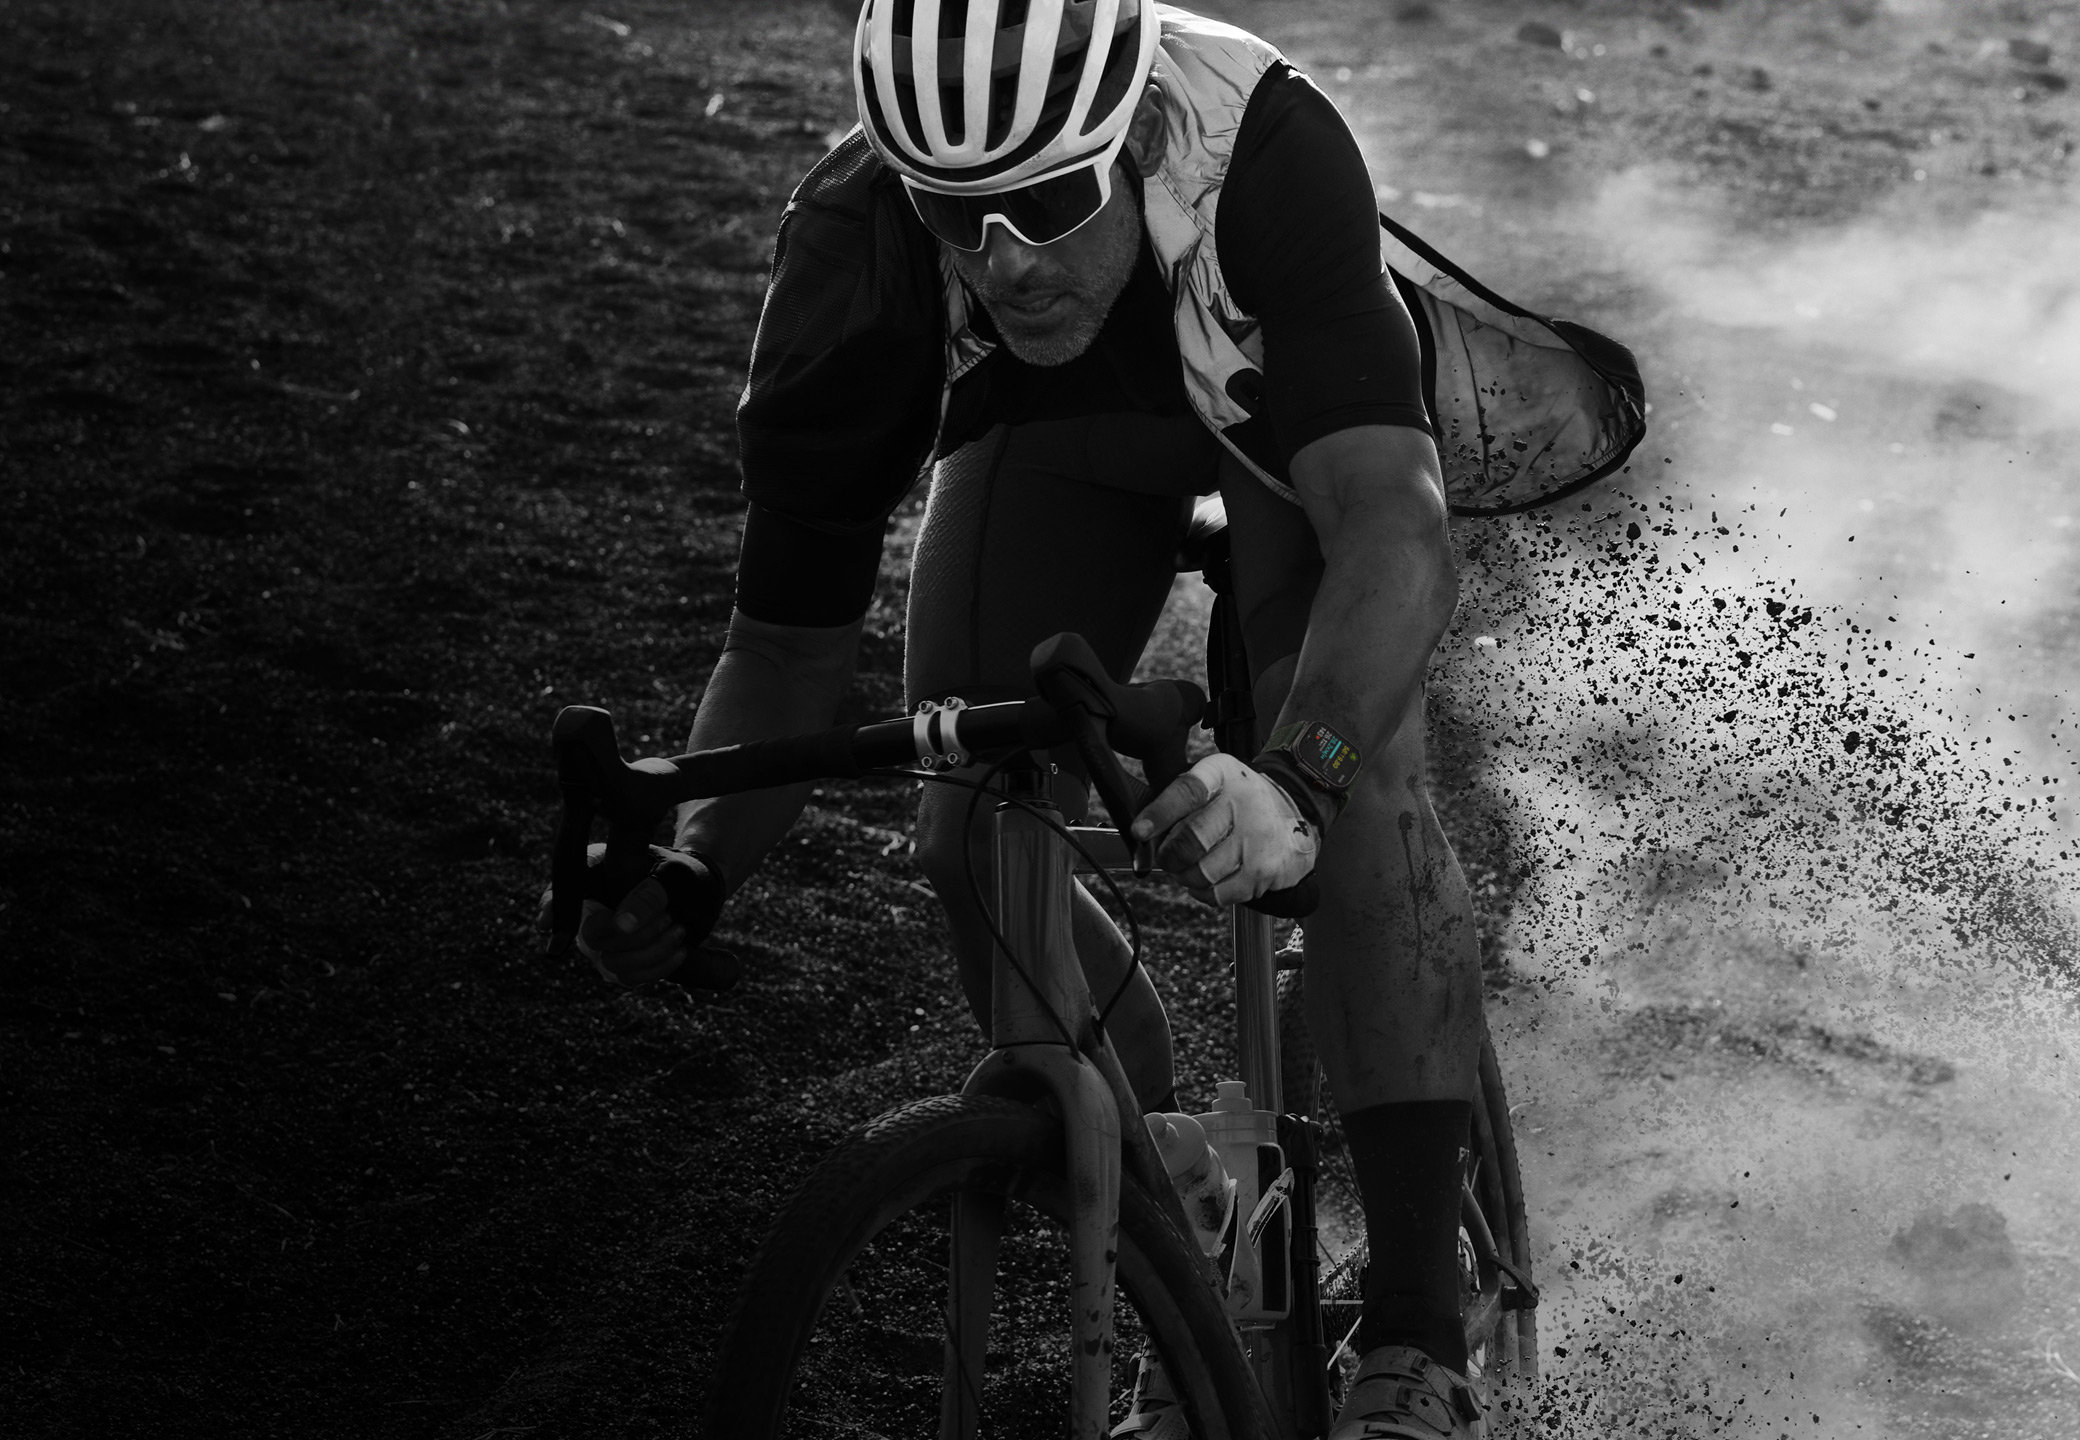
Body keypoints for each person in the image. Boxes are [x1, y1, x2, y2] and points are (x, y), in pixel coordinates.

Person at [560, 2, 1639, 1435]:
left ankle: (1416, 1335)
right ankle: (1179, 1201)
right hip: (1058, 424)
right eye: (958, 213)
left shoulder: (1262, 149)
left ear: (1127, 137)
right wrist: (693, 870)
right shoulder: (858, 238)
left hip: (1270, 406)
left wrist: (1296, 782)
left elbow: (1396, 532)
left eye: (1049, 201)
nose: (1004, 261)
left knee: (1359, 784)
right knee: (968, 823)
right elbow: (781, 646)